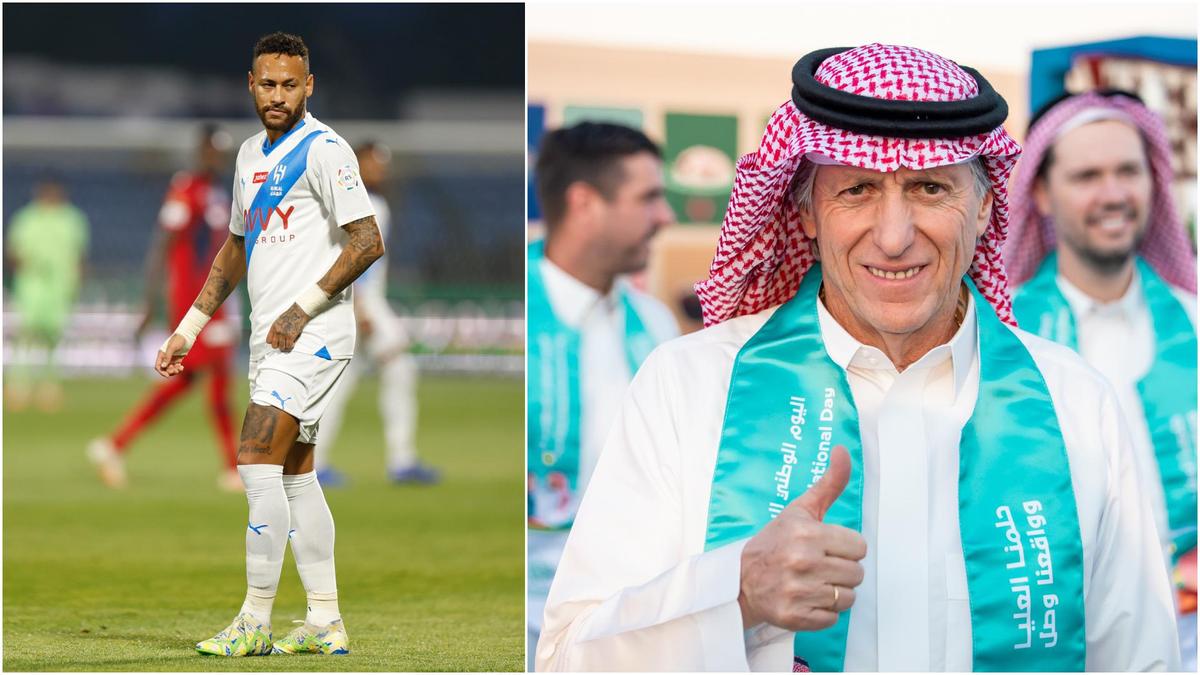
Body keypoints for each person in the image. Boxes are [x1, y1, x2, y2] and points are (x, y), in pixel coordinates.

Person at [536, 44, 1179, 672]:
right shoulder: (688, 386)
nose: (894, 236)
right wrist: (735, 592)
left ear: (985, 206)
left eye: (930, 189)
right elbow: (567, 656)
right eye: (856, 191)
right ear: (806, 210)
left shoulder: (1074, 402)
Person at [156, 32, 384, 657]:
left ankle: (255, 620)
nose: (278, 95)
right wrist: (189, 328)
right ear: (250, 84)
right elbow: (236, 246)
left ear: (308, 86)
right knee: (293, 477)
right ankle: (324, 620)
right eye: (267, 84)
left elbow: (367, 241)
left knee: (254, 459)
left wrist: (302, 308)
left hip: (314, 335)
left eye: (290, 84)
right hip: (270, 338)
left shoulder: (327, 150)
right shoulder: (250, 154)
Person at [1004, 89, 1197, 670]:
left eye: (1127, 172)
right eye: (1087, 175)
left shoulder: (1193, 321)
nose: (1113, 194)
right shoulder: (1002, 341)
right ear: (1039, 190)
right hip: (1058, 647)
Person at [527, 122, 679, 666]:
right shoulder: (523, 312)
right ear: (585, 202)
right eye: (649, 198)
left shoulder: (656, 324)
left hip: (631, 625)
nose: (666, 217)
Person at [86, 125, 243, 492]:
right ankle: (231, 467)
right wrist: (150, 301)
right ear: (199, 151)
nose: (215, 157)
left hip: (216, 298)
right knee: (219, 372)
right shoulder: (186, 190)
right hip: (193, 300)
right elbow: (164, 244)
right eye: (209, 150)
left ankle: (114, 445)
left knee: (187, 378)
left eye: (219, 152)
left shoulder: (218, 192)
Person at [313, 140, 437, 486]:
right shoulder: (350, 204)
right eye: (373, 162)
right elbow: (348, 257)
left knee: (376, 375)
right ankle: (398, 461)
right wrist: (359, 306)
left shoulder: (377, 204)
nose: (379, 169)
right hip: (354, 302)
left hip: (366, 302)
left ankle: (399, 460)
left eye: (383, 163)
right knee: (376, 374)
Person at [4, 176, 89, 412]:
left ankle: (48, 386)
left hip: (61, 286)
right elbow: (13, 253)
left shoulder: (72, 219)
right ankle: (18, 384)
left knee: (53, 336)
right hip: (31, 285)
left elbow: (79, 254)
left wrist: (76, 282)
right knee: (26, 334)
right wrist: (25, 266)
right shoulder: (26, 218)